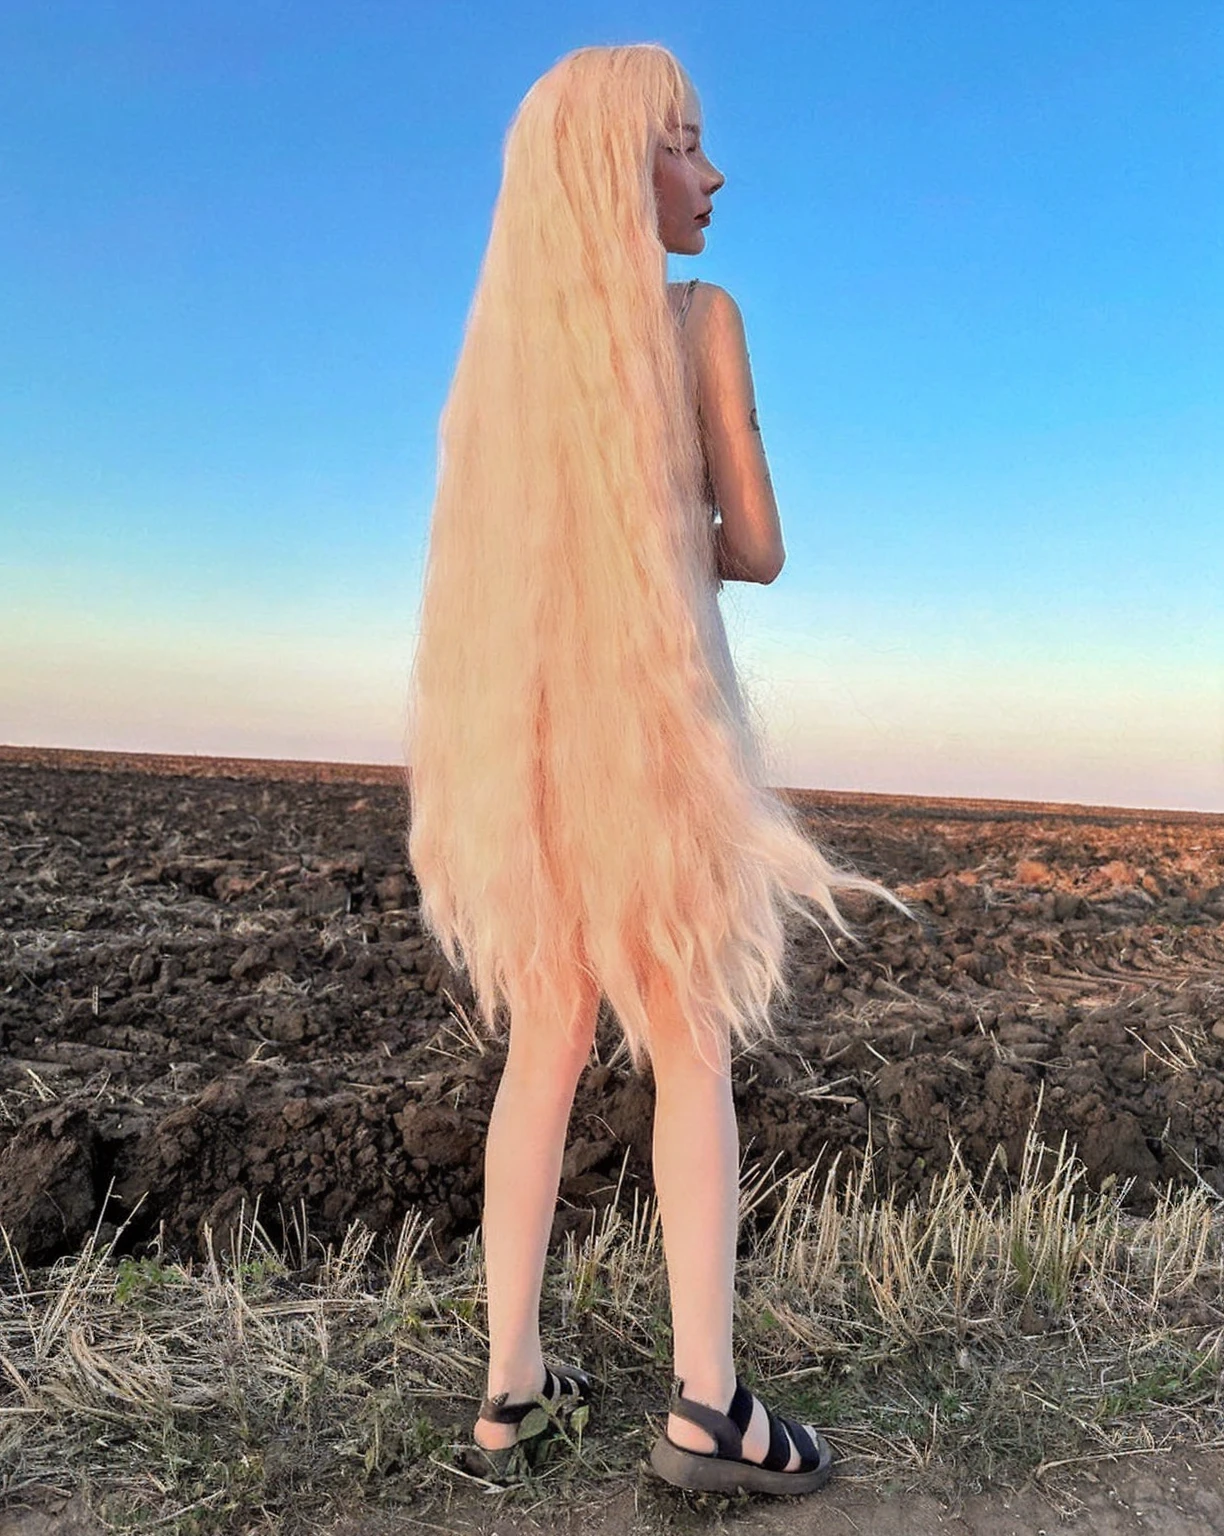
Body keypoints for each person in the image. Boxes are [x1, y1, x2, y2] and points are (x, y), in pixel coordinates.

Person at [404, 42, 915, 1497]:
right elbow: (756, 547)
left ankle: (509, 1391)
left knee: (544, 1043)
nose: (711, 171)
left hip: (533, 750)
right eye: (685, 144)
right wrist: (662, 537)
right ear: (618, 170)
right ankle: (709, 1407)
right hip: (657, 740)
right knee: (690, 1043)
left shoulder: (509, 357)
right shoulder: (700, 320)